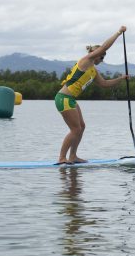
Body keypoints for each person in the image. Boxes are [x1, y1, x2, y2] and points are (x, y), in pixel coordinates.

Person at [55, 26, 129, 164]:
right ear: (95, 53)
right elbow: (104, 48)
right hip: (63, 98)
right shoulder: (86, 61)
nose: (102, 59)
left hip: (70, 99)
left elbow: (105, 84)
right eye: (102, 56)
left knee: (81, 127)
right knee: (75, 129)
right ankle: (61, 158)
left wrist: (121, 78)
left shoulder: (93, 71)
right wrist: (118, 33)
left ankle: (73, 156)